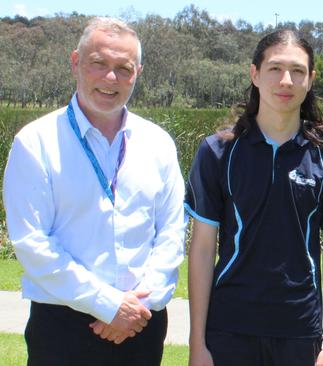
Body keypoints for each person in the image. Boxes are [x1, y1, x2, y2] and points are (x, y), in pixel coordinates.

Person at [2, 17, 186, 365]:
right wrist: (108, 304)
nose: (110, 78)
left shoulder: (158, 143)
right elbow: (32, 244)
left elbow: (172, 233)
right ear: (75, 62)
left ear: (138, 72)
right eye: (98, 64)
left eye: (123, 68)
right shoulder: (35, 142)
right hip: (63, 327)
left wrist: (137, 307)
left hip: (141, 324)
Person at [185, 29, 323, 366]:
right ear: (254, 74)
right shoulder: (217, 151)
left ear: (310, 80)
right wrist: (197, 343)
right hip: (229, 326)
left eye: (298, 71)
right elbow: (203, 247)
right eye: (275, 69)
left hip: (299, 329)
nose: (286, 81)